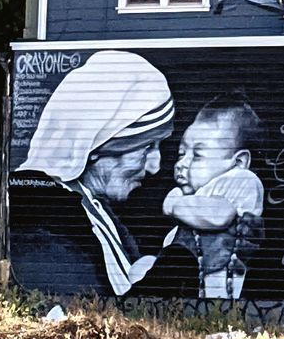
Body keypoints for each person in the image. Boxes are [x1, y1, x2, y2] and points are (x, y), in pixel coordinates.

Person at [10, 50, 177, 298]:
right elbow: (93, 310)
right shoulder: (45, 221)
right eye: (147, 147)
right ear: (97, 147)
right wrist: (181, 254)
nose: (155, 166)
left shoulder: (93, 209)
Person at [160, 93, 265, 300]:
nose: (181, 163)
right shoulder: (197, 198)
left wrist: (175, 205)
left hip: (221, 294)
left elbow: (219, 215)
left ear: (238, 162)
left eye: (197, 156)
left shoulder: (242, 180)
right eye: (182, 153)